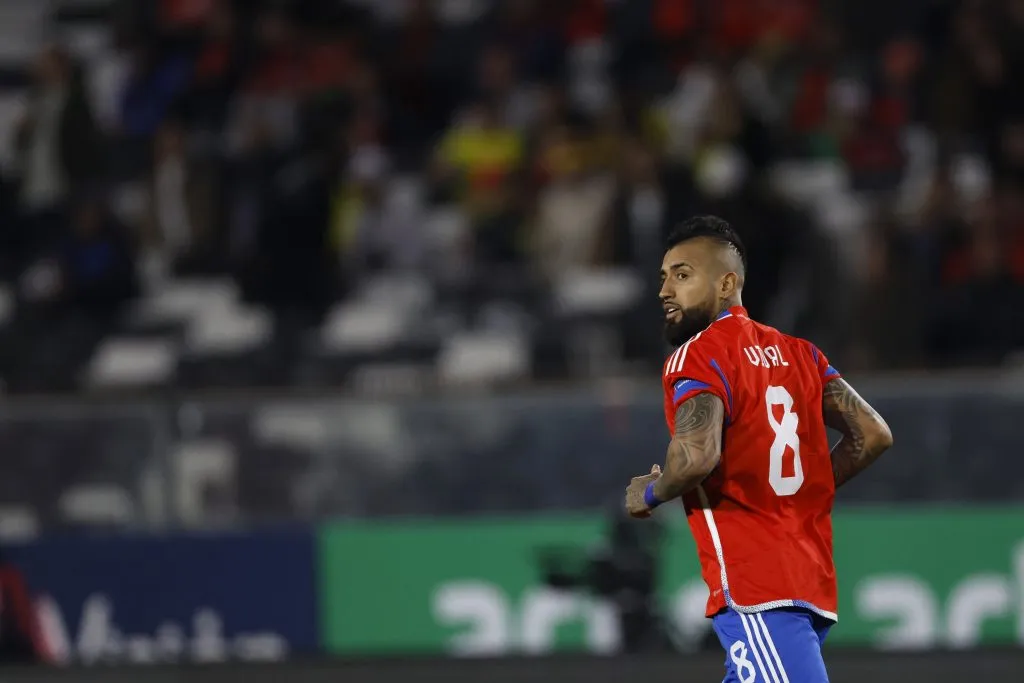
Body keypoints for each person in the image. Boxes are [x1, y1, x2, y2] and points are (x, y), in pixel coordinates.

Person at [623, 215, 893, 682]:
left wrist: (650, 493)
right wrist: (803, 489)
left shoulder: (699, 355)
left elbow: (695, 456)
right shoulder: (802, 354)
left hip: (756, 584)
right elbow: (872, 434)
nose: (665, 290)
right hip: (808, 578)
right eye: (664, 277)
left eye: (682, 275)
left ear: (727, 283)